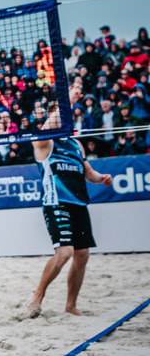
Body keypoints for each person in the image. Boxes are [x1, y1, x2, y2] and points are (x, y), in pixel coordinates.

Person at [27, 83, 112, 317]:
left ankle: (70, 306)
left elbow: (89, 173)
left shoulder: (75, 145)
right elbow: (47, 129)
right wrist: (69, 100)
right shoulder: (46, 143)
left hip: (79, 203)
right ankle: (38, 296)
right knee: (64, 253)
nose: (67, 121)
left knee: (82, 254)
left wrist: (101, 178)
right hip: (57, 202)